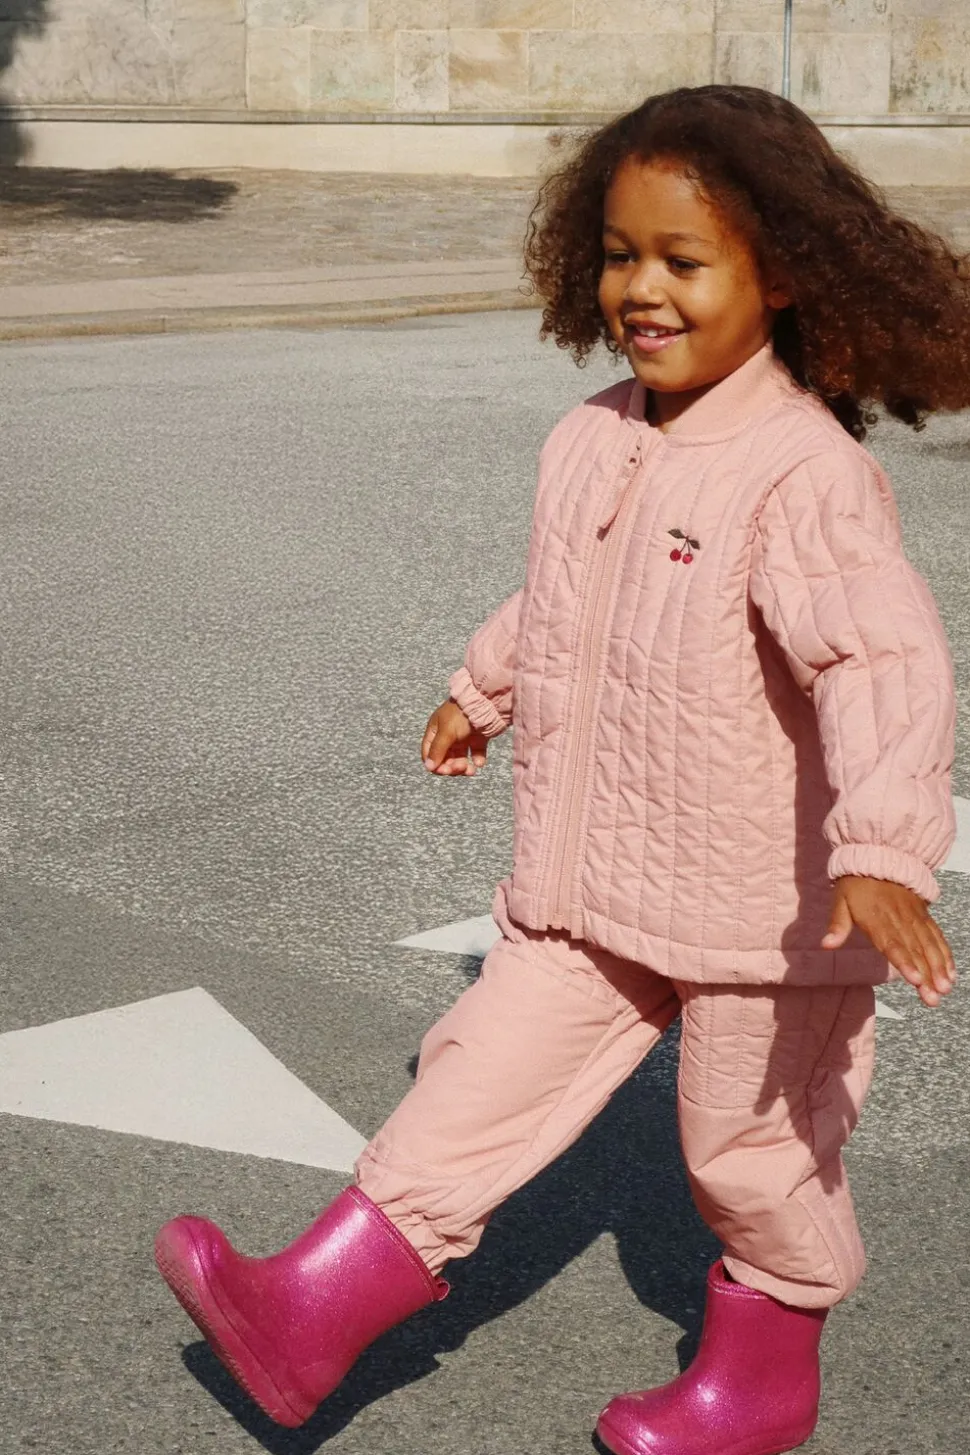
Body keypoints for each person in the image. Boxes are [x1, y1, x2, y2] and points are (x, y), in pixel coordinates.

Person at [154, 85, 968, 1455]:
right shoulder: (591, 434)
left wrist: (884, 848)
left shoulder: (799, 473)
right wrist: (486, 685)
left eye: (682, 261)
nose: (641, 289)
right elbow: (564, 599)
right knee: (473, 1073)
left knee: (751, 1151)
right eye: (618, 254)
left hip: (763, 919)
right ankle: (307, 1314)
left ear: (780, 276)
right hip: (592, 879)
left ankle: (764, 1377)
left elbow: (877, 660)